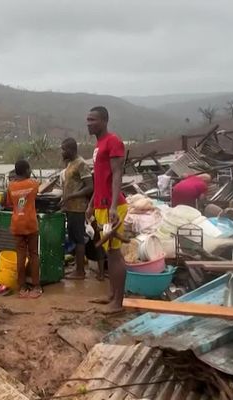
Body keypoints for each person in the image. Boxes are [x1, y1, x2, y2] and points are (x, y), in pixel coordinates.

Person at [85, 106, 128, 314]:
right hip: (101, 204)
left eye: (93, 119)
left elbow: (117, 174)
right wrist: (91, 203)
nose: (88, 123)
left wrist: (112, 207)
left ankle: (118, 303)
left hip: (114, 205)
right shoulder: (98, 145)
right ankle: (111, 295)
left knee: (114, 253)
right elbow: (100, 178)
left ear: (104, 121)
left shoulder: (113, 141)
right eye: (87, 119)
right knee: (108, 251)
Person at [59, 138, 93, 280]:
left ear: (72, 150)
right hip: (70, 207)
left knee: (79, 239)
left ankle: (80, 271)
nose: (62, 152)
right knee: (73, 237)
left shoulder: (81, 164)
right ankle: (77, 268)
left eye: (64, 149)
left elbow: (90, 186)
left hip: (78, 208)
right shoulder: (70, 164)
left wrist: (72, 196)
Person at [7, 159, 42, 298]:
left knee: (20, 255)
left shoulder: (10, 186)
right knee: (33, 254)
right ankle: (36, 286)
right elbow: (38, 192)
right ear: (27, 170)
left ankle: (22, 286)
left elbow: (9, 203)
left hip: (17, 224)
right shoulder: (33, 184)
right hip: (31, 223)